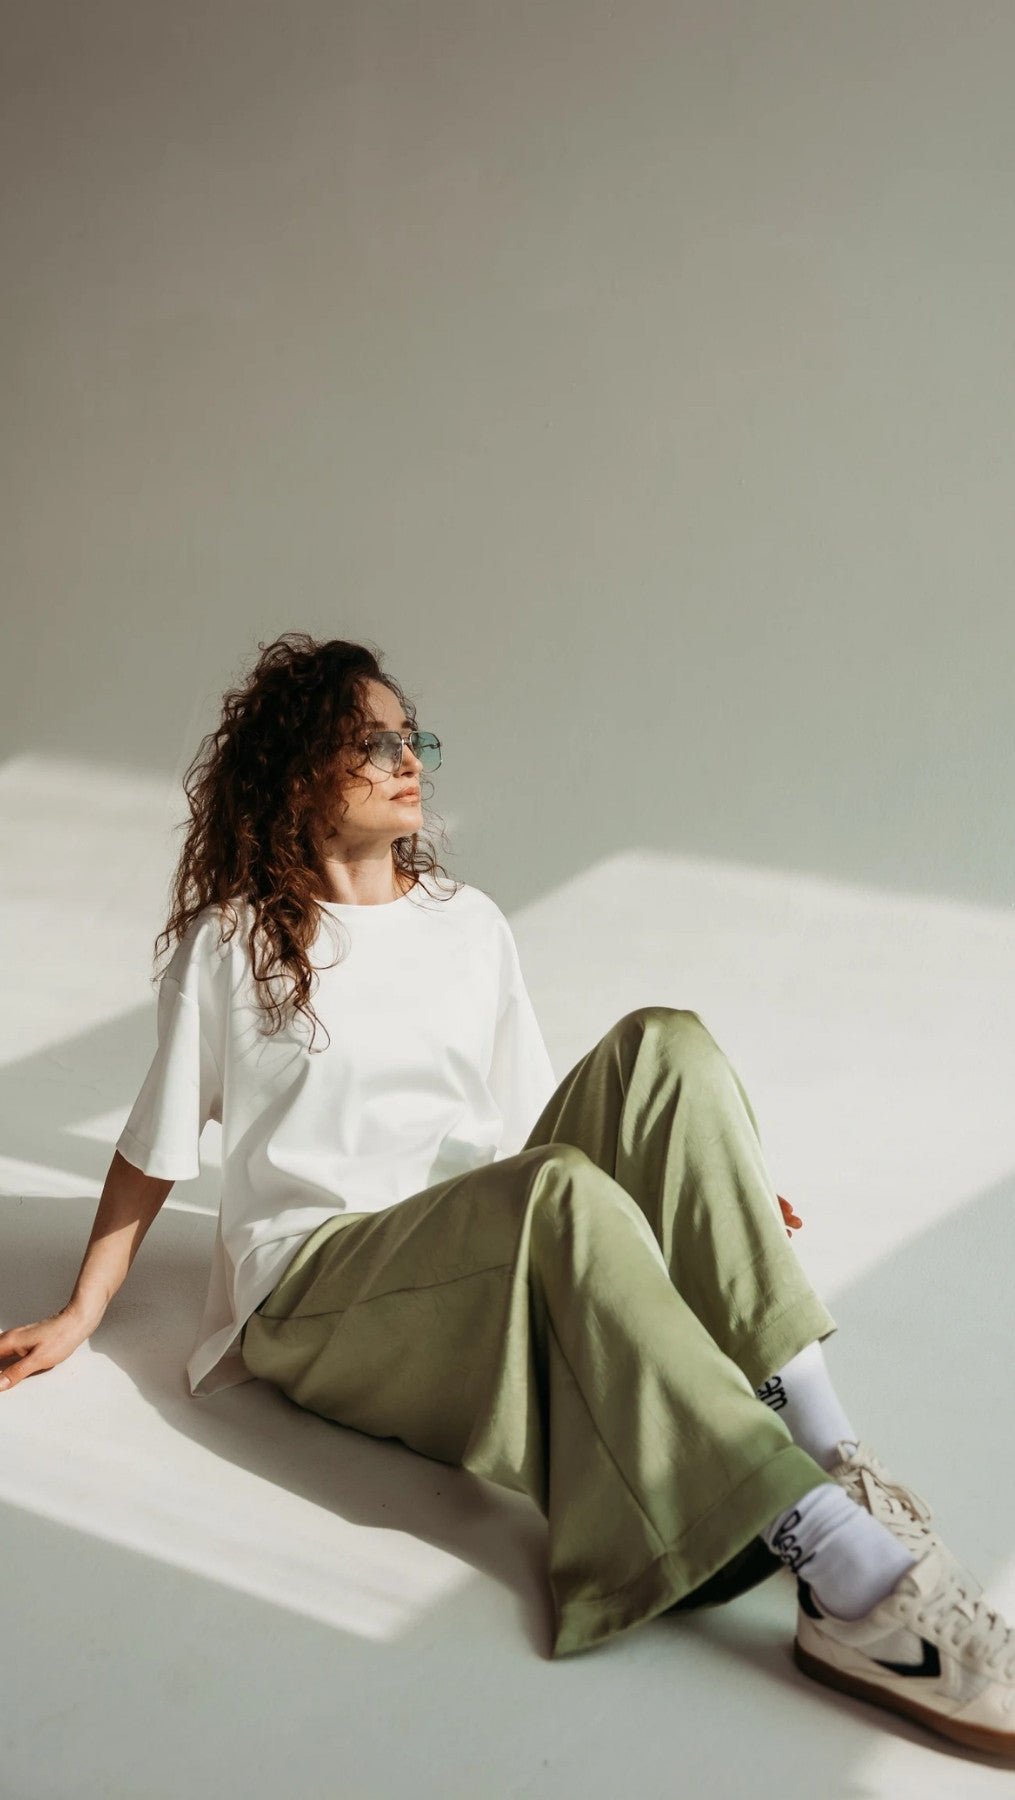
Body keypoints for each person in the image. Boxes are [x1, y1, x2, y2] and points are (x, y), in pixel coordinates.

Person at [2, 632, 1013, 1761]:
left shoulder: (465, 925)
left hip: (449, 1253)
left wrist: (707, 1177)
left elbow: (534, 1127)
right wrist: (86, 1310)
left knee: (663, 1047)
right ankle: (840, 1567)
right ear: (296, 771)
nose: (408, 760)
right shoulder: (231, 944)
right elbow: (154, 1144)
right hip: (309, 1290)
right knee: (555, 1192)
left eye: (411, 738)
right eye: (370, 743)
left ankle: (833, 1458)